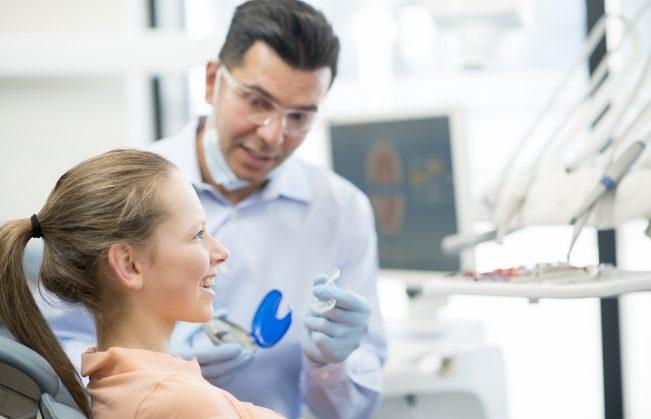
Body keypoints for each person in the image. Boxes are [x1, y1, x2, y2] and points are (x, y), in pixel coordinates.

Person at [45, 1, 387, 418]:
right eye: (257, 102)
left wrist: (330, 365)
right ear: (212, 81)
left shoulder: (341, 210)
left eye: (299, 117)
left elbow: (351, 411)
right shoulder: (133, 190)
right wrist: (162, 360)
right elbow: (54, 360)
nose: (273, 135)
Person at [0, 149, 283, 418]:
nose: (221, 252)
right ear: (129, 265)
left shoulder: (136, 386)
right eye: (197, 234)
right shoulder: (176, 402)